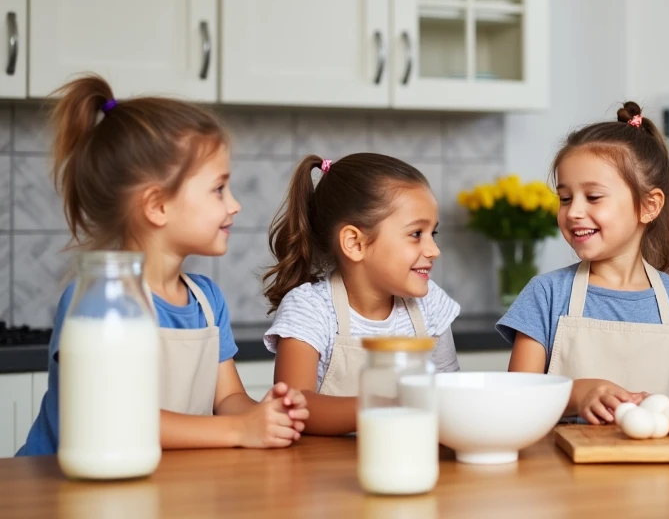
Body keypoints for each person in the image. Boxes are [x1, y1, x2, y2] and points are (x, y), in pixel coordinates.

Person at [18, 75, 308, 455]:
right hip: (57, 495)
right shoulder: (98, 299)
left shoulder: (206, 300)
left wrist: (266, 416)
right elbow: (113, 419)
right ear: (157, 206)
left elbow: (229, 399)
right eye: (219, 189)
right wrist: (239, 430)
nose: (234, 204)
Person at [498, 102, 669, 424]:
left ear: (649, 206)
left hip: (659, 471)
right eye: (565, 198)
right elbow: (514, 400)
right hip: (558, 468)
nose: (573, 211)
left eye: (592, 197)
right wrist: (580, 394)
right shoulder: (546, 295)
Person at [263, 153, 460, 435]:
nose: (433, 250)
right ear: (355, 243)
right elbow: (294, 405)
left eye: (433, 234)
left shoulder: (431, 304)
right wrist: (391, 405)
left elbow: (449, 393)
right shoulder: (310, 309)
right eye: (417, 233)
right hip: (320, 472)